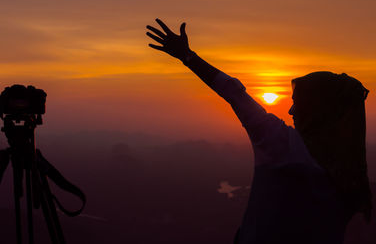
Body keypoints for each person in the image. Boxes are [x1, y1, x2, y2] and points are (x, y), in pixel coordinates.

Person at [146, 18, 372, 244]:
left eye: (298, 103)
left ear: (318, 110)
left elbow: (233, 92)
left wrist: (188, 57)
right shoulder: (351, 179)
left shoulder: (282, 145)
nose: (291, 111)